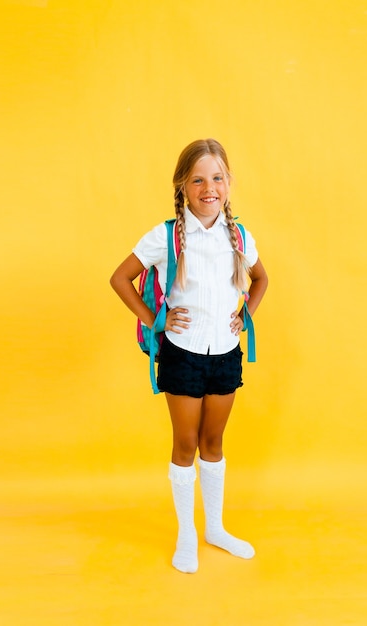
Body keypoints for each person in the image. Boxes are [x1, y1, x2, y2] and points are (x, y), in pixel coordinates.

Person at [110, 138, 268, 573]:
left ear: (229, 184)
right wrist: (155, 320)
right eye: (197, 179)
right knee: (185, 444)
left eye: (216, 178)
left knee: (214, 443)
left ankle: (215, 528)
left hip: (225, 355)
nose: (208, 187)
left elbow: (261, 279)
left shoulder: (239, 236)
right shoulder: (165, 237)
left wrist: (244, 316)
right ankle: (187, 535)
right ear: (182, 186)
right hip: (182, 355)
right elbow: (120, 277)